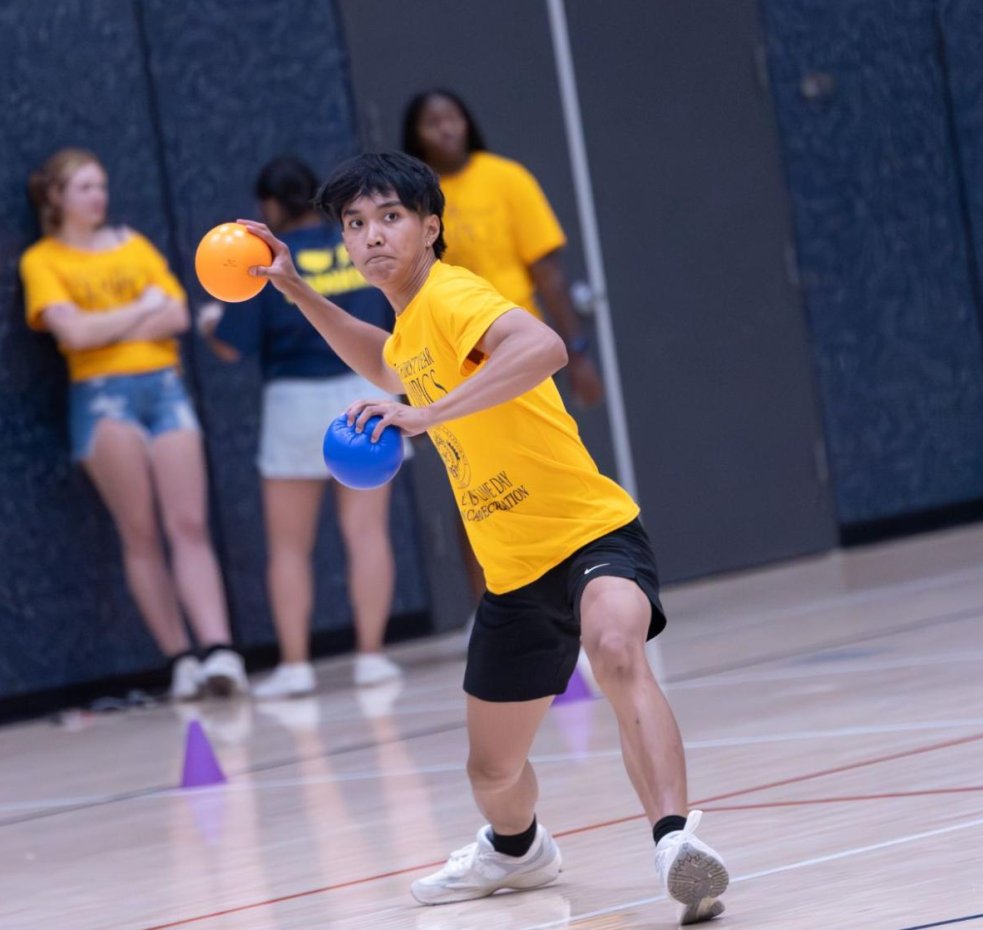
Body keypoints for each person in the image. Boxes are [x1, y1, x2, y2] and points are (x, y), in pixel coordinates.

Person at [238, 153, 728, 925]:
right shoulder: (411, 325)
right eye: (355, 225)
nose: (371, 237)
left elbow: (542, 348)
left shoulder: (454, 293)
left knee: (616, 648)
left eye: (389, 218)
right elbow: (386, 362)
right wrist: (297, 288)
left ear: (431, 228)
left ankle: (676, 843)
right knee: (493, 771)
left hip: (589, 532)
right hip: (513, 574)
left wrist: (427, 418)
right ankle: (517, 849)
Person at [19, 147, 245, 700]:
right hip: (102, 399)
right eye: (84, 188)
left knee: (187, 522)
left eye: (101, 185)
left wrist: (112, 322)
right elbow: (73, 337)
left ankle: (219, 651)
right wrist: (136, 312)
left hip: (164, 390)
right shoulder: (43, 261)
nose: (98, 196)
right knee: (139, 530)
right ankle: (180, 658)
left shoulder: (134, 243)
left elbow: (176, 314)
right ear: (56, 198)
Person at [200, 156, 404, 699]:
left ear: (268, 206)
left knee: (289, 545)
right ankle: (372, 658)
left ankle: (294, 666)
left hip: (294, 402)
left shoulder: (268, 262)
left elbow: (228, 343)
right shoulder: (353, 246)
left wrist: (206, 323)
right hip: (367, 392)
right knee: (368, 534)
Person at [404, 89, 605, 604]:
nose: (446, 130)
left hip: (517, 350)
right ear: (415, 137)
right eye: (432, 123)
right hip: (453, 359)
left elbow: (548, 272)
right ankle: (491, 609)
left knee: (543, 471)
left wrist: (577, 352)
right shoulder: (412, 206)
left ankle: (571, 594)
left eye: (453, 118)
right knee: (476, 488)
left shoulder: (507, 178)